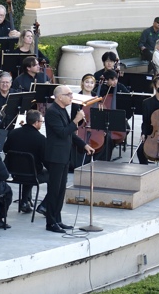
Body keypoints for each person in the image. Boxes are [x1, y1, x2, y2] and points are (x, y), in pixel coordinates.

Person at [44, 85, 94, 233]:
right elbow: (62, 132)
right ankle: (50, 222)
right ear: (60, 97)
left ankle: (57, 219)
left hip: (64, 155)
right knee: (54, 189)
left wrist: (84, 145)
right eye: (69, 94)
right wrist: (76, 121)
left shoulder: (62, 110)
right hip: (55, 156)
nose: (72, 97)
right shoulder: (53, 112)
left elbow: (70, 134)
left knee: (61, 189)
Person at [3, 110, 48, 214]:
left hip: (14, 172)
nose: (41, 123)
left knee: (28, 169)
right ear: (36, 122)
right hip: (31, 174)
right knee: (54, 177)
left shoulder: (13, 133)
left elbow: (5, 150)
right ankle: (45, 206)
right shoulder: (40, 138)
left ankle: (24, 202)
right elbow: (44, 159)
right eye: (41, 121)